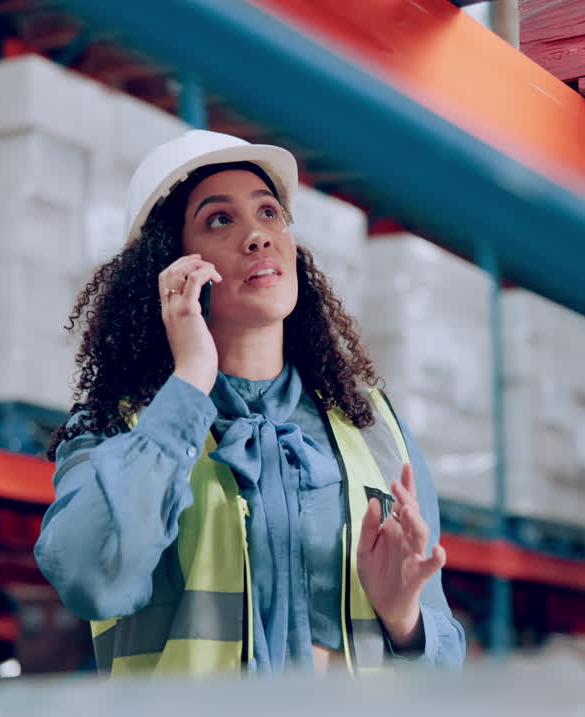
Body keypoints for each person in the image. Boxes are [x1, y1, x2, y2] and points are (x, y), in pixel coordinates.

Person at [35, 130, 465, 676]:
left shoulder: (371, 424)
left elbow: (443, 665)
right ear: (170, 264)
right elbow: (89, 576)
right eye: (220, 219)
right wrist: (190, 379)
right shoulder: (115, 427)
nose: (258, 235)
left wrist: (405, 619)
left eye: (269, 213)